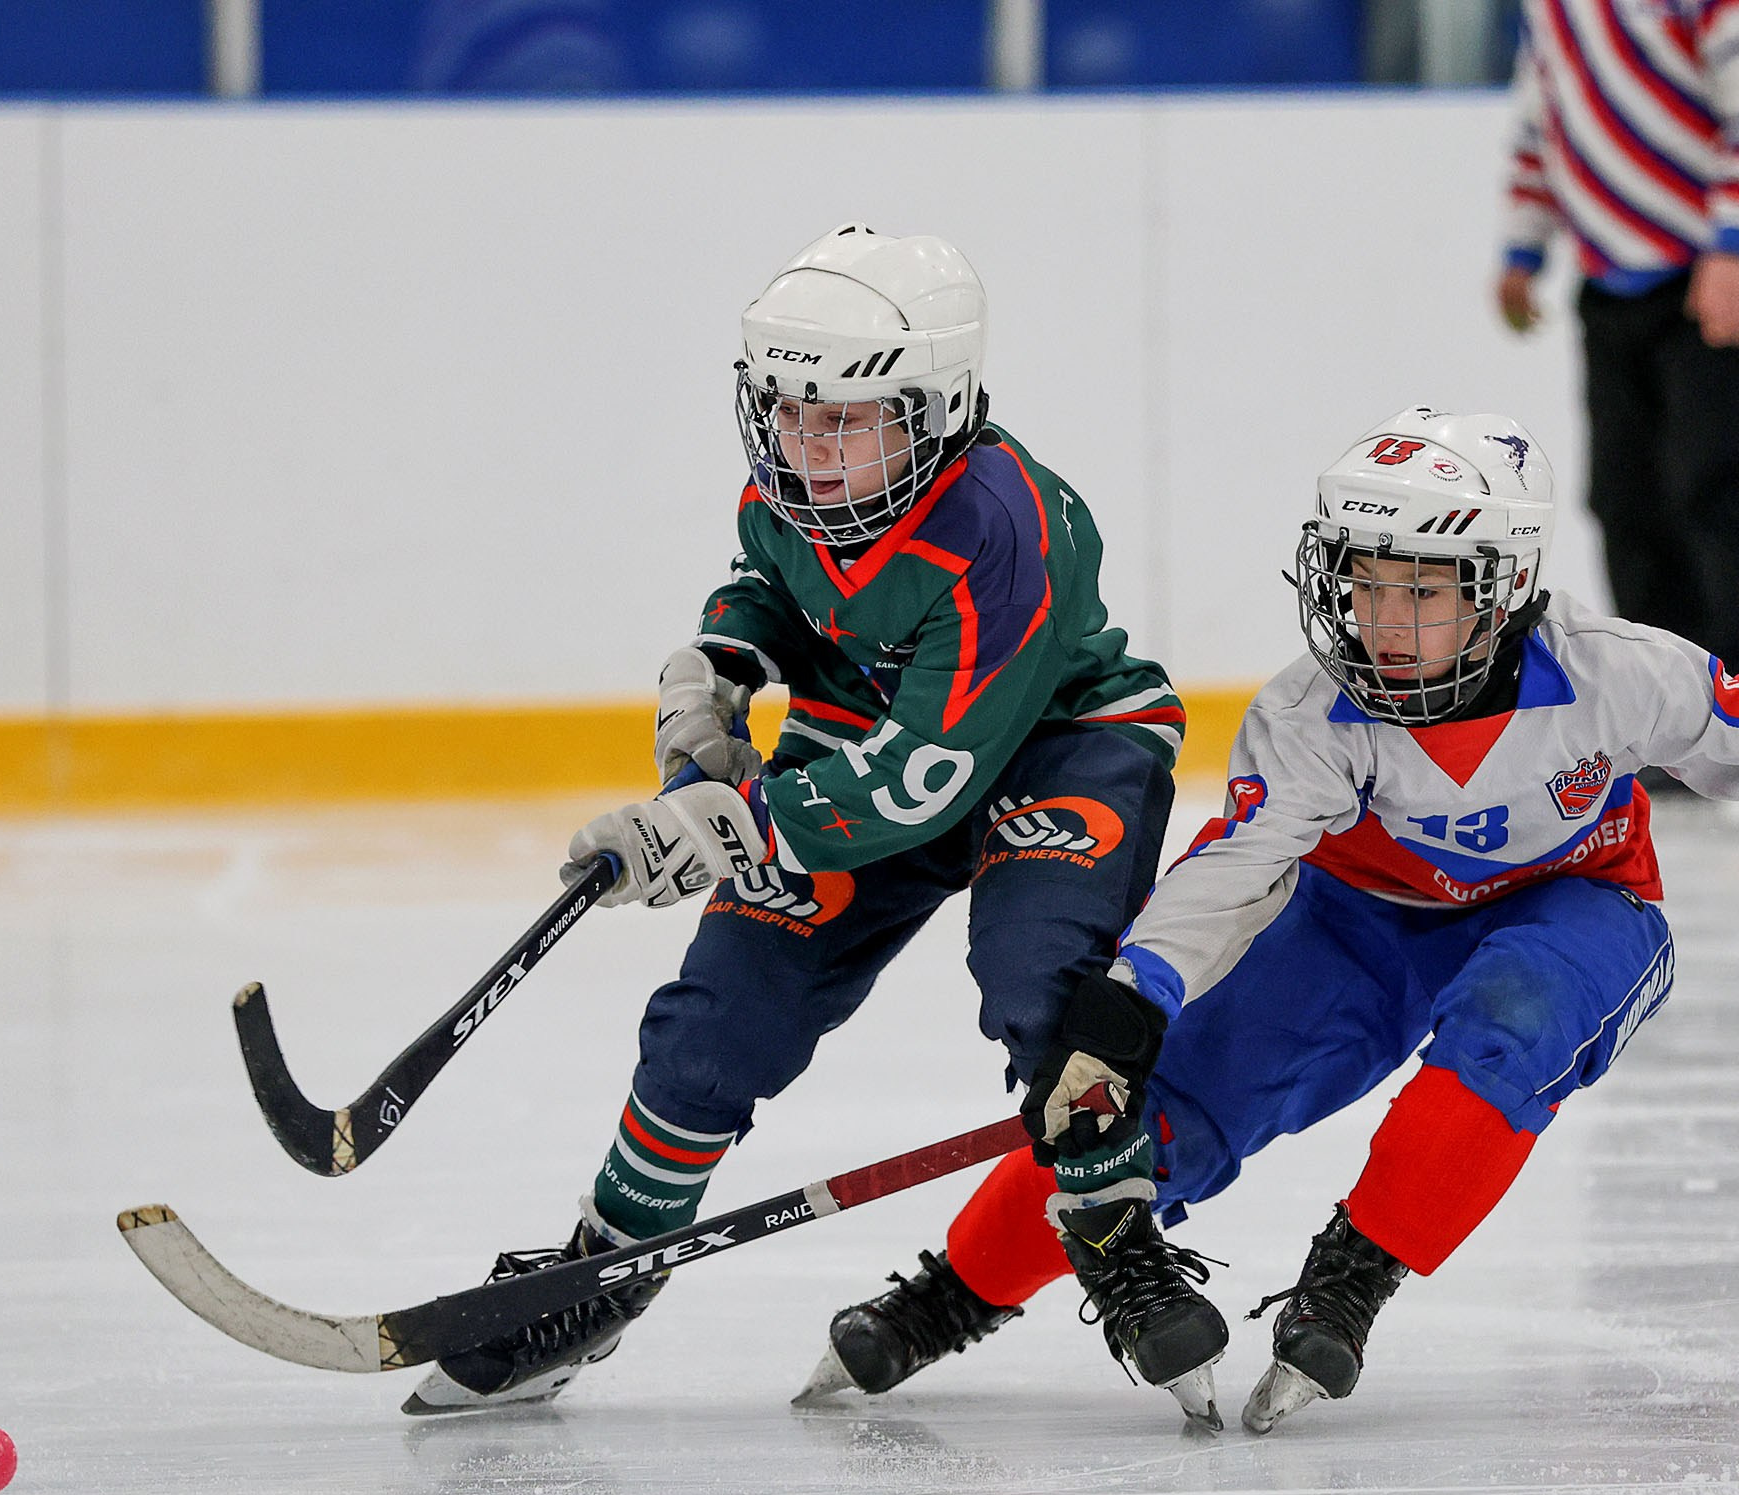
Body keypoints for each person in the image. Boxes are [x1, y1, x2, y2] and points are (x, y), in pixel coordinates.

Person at [804, 407, 1739, 1433]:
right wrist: (1134, 997)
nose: (1387, 626)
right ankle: (945, 1299)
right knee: (1170, 1109)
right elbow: (1236, 860)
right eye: (1365, 588)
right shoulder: (1309, 714)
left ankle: (1351, 1283)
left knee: (1508, 1026)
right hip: (1361, 922)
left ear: (1504, 587)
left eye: (1427, 593)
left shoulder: (1612, 671)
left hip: (1578, 909)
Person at [402, 225, 1216, 1418]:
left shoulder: (1005, 527)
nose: (806, 445)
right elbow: (775, 588)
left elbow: (920, 781)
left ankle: (1110, 1224)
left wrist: (722, 825)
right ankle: (607, 1268)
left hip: (1053, 746)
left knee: (1043, 989)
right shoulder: (791, 488)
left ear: (934, 408)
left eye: (845, 419)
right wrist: (715, 670)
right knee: (717, 1019)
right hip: (868, 741)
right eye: (786, 409)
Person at [1495, 0, 1739, 681]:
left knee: (1719, 485)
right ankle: (1665, 715)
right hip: (1617, 272)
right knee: (1627, 499)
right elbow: (1550, 94)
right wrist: (1525, 239)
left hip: (1733, 259)